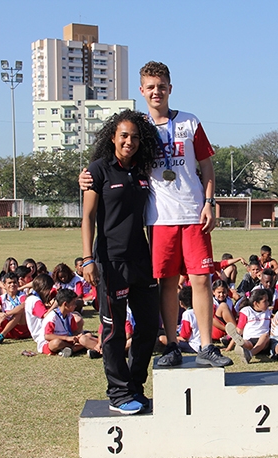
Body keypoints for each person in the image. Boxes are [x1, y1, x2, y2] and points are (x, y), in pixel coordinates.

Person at [81, 62, 231, 369]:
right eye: (150, 87)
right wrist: (84, 176)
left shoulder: (190, 122)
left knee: (201, 279)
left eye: (161, 86)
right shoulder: (139, 130)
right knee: (167, 282)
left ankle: (206, 345)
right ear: (141, 91)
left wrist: (209, 202)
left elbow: (206, 167)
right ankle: (173, 345)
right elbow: (112, 159)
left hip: (193, 214)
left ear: (170, 88)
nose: (156, 92)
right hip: (159, 218)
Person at [81, 109, 162, 414]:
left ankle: (135, 387)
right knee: (114, 330)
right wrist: (88, 259)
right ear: (113, 137)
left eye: (135, 137)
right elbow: (88, 217)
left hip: (142, 258)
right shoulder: (98, 170)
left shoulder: (143, 171)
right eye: (124, 135)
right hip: (110, 261)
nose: (129, 141)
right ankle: (117, 393)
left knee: (149, 326)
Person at [40, 289, 99, 357]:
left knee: (87, 335)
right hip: (51, 343)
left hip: (68, 341)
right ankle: (76, 348)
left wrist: (78, 336)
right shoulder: (52, 317)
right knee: (57, 343)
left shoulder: (69, 316)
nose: (75, 305)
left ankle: (70, 350)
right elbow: (47, 336)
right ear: (65, 304)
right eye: (73, 303)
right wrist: (66, 338)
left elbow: (74, 332)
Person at [226, 288, 272, 364]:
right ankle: (242, 344)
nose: (268, 303)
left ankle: (250, 354)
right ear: (256, 303)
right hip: (250, 340)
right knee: (245, 342)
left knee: (265, 336)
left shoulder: (268, 312)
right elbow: (239, 331)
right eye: (265, 301)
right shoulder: (246, 311)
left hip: (264, 343)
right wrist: (229, 347)